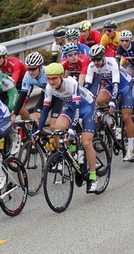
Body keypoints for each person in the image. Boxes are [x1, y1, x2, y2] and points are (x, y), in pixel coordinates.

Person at [35, 63, 99, 193]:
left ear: (61, 76)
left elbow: (77, 110)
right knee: (57, 128)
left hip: (86, 108)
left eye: (54, 78)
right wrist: (38, 129)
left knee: (86, 143)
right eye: (49, 79)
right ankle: (73, 151)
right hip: (70, 108)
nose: (51, 82)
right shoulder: (49, 87)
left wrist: (72, 129)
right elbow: (45, 110)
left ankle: (93, 177)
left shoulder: (71, 83)